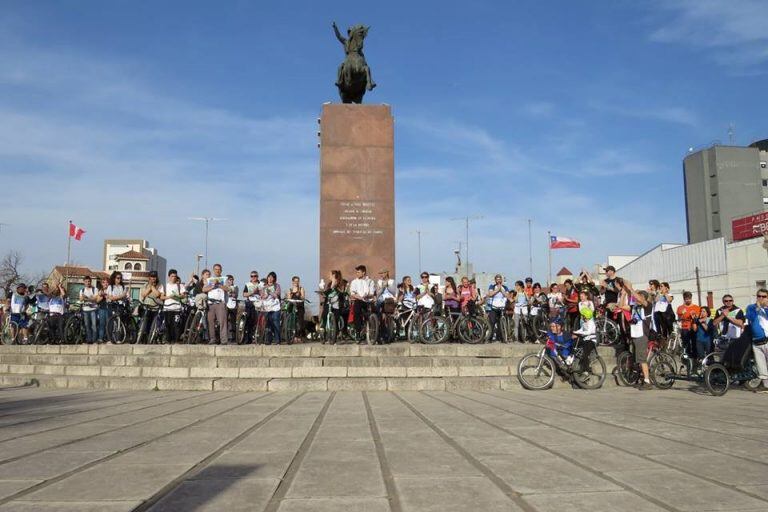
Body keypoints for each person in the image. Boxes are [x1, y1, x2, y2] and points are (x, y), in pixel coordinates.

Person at [627, 283, 654, 389]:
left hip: (642, 334)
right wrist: (625, 293)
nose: (635, 298)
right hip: (634, 334)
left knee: (642, 359)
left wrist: (631, 290)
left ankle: (647, 381)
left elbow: (642, 300)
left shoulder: (647, 306)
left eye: (638, 296)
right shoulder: (634, 307)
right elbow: (621, 306)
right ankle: (641, 378)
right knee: (637, 359)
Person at [745, 289, 768, 392]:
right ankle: (766, 385)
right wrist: (758, 308)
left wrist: (765, 308)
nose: (761, 298)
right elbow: (750, 318)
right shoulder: (751, 307)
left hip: (766, 340)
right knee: (761, 365)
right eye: (759, 296)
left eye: (764, 296)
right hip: (756, 341)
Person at [203, 264, 229, 345]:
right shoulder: (209, 279)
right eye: (216, 269)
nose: (217, 271)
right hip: (211, 303)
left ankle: (223, 340)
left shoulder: (225, 279)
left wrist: (219, 284)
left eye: (219, 269)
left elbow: (227, 289)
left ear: (221, 270)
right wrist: (212, 286)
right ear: (213, 270)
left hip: (220, 303)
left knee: (222, 322)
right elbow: (204, 289)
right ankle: (212, 339)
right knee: (211, 322)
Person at [160, 269, 186, 343]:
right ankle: (168, 340)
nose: (174, 278)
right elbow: (162, 297)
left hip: (177, 308)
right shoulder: (164, 286)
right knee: (168, 324)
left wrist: (178, 296)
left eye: (175, 276)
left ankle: (176, 340)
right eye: (172, 276)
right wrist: (170, 297)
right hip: (167, 308)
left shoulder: (180, 286)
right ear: (169, 277)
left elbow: (183, 295)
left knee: (176, 324)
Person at [349, 265, 375, 335]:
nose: (357, 274)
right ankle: (358, 331)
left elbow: (372, 293)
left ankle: (376, 331)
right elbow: (352, 293)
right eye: (356, 272)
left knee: (375, 311)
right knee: (356, 309)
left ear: (363, 272)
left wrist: (366, 295)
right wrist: (359, 297)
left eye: (358, 272)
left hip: (368, 301)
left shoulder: (370, 281)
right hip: (359, 300)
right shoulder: (354, 282)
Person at [321, 270, 343, 344]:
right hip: (328, 304)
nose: (329, 276)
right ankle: (323, 335)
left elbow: (341, 293)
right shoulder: (329, 284)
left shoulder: (340, 284)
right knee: (324, 317)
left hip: (336, 305)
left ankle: (334, 338)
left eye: (330, 275)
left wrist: (334, 286)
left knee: (335, 321)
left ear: (334, 276)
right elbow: (326, 293)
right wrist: (330, 287)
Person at [676, 292, 700, 359]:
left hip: (693, 327)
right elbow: (679, 319)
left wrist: (694, 316)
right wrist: (682, 314)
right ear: (684, 299)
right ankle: (687, 357)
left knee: (694, 342)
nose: (688, 300)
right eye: (686, 299)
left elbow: (697, 318)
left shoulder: (696, 307)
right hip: (684, 327)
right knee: (686, 344)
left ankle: (695, 357)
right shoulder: (680, 308)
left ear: (691, 298)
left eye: (689, 299)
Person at [486, 274, 509, 342]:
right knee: (492, 323)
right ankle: (489, 338)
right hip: (494, 307)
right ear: (495, 280)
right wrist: (497, 290)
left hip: (502, 307)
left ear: (501, 280)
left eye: (500, 279)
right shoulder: (492, 286)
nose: (498, 280)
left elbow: (507, 295)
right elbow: (490, 294)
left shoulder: (505, 287)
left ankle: (502, 338)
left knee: (501, 324)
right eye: (497, 279)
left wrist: (501, 290)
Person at [261, 271, 282, 344]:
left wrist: (270, 292)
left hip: (275, 307)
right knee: (268, 323)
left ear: (274, 279)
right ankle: (268, 340)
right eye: (269, 277)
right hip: (267, 307)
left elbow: (277, 295)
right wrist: (265, 296)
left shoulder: (277, 286)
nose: (270, 279)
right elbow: (262, 296)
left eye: (271, 277)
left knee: (276, 322)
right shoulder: (264, 287)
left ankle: (277, 340)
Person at [242, 271, 262, 344]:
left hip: (259, 303)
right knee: (248, 321)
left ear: (257, 276)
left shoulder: (261, 284)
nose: (253, 277)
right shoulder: (247, 284)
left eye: (255, 276)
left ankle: (257, 337)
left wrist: (259, 291)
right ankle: (247, 339)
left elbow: (264, 293)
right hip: (250, 303)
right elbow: (244, 294)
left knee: (257, 321)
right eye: (252, 276)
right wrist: (252, 292)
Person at [79, 276, 99, 344]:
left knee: (94, 325)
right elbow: (81, 299)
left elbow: (95, 299)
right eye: (86, 281)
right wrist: (90, 298)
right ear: (84, 282)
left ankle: (94, 340)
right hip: (85, 310)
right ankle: (89, 339)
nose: (88, 283)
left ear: (91, 282)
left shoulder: (95, 289)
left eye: (89, 281)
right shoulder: (82, 290)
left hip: (93, 309)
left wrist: (86, 298)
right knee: (87, 325)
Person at [286, 276, 306, 343]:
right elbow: (288, 298)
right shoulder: (290, 290)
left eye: (297, 281)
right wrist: (290, 295)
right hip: (292, 306)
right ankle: (293, 336)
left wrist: (300, 295)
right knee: (292, 321)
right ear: (292, 282)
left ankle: (300, 336)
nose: (296, 283)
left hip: (299, 306)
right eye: (295, 281)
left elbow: (303, 297)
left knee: (300, 322)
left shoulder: (301, 289)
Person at [95, 276, 109, 343]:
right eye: (104, 283)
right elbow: (97, 300)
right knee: (102, 324)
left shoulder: (110, 290)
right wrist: (102, 296)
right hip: (102, 309)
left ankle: (108, 338)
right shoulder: (100, 291)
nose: (105, 284)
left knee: (109, 324)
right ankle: (101, 338)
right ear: (102, 284)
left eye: (107, 282)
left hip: (109, 309)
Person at [225, 275, 239, 343]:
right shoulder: (224, 287)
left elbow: (235, 295)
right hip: (226, 305)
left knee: (233, 322)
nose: (231, 281)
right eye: (230, 280)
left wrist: (231, 292)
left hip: (233, 306)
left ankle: (233, 337)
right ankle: (225, 337)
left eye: (232, 279)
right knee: (225, 322)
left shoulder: (235, 286)